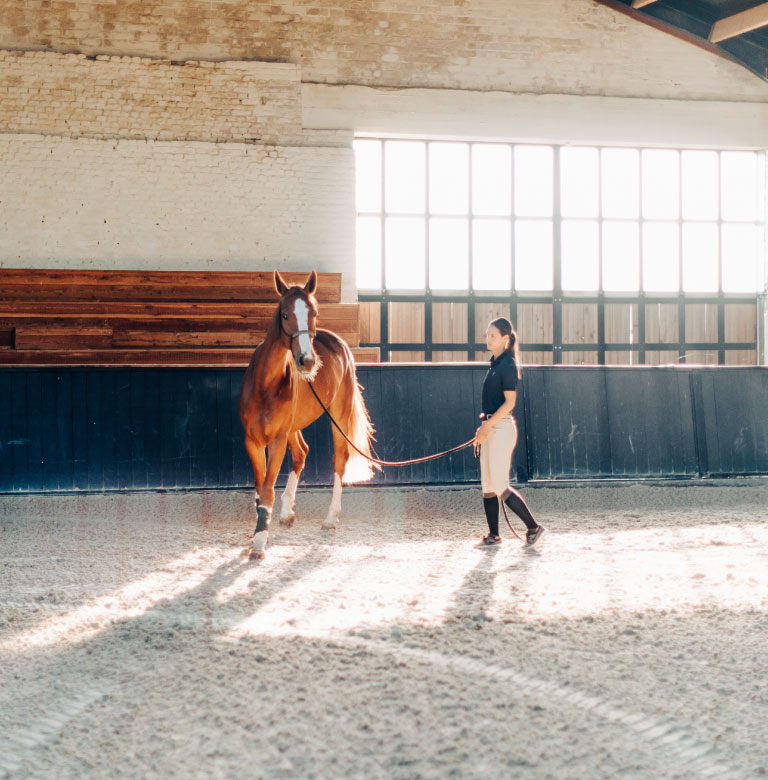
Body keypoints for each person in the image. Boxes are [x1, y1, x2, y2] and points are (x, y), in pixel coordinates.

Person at [472, 318, 545, 548]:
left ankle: (534, 527)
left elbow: (509, 403)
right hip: (492, 426)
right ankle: (494, 535)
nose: (488, 339)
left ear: (505, 339)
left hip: (501, 429)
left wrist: (488, 426)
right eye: (487, 335)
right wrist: (484, 427)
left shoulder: (507, 365)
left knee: (500, 484)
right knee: (487, 485)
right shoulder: (495, 364)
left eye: (492, 335)